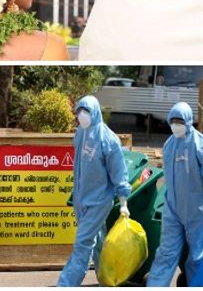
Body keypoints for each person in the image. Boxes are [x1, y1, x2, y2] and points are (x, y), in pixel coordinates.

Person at [146, 102, 203, 286]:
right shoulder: (169, 145)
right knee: (166, 253)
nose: (175, 125)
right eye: (173, 121)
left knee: (198, 257)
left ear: (188, 121)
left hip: (197, 211)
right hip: (172, 210)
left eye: (180, 121)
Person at [57, 95, 131, 287]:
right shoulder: (81, 133)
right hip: (82, 200)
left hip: (99, 201)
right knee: (97, 242)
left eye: (87, 111)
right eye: (80, 111)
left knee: (82, 244)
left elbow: (119, 172)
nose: (82, 115)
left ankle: (66, 284)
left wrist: (123, 203)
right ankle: (106, 280)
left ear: (96, 112)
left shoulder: (108, 140)